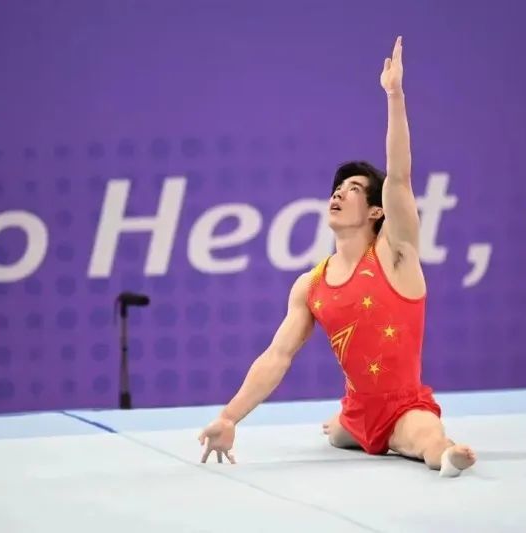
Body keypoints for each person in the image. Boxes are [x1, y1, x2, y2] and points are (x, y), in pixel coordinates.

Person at [198, 36, 476, 477]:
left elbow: (399, 177)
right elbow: (277, 356)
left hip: (403, 407)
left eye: (354, 189)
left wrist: (395, 96)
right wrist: (229, 417)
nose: (339, 194)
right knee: (339, 431)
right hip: (355, 411)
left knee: (423, 436)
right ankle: (346, 423)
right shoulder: (310, 285)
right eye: (337, 188)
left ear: (377, 210)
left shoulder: (396, 255)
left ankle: (447, 454)